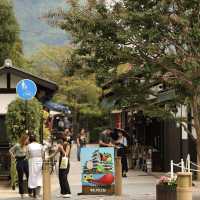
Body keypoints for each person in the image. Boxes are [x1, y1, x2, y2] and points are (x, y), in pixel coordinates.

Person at [47, 133, 71, 198]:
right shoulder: (61, 145)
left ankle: (68, 192)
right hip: (61, 161)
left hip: (65, 161)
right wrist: (47, 157)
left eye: (59, 140)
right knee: (60, 177)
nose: (58, 142)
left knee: (64, 177)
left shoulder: (67, 144)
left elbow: (66, 154)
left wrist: (61, 148)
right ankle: (62, 192)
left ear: (62, 139)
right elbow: (54, 154)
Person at [9, 134, 31, 199]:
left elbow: (28, 153)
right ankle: (22, 193)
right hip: (19, 161)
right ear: (24, 139)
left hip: (25, 161)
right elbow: (10, 150)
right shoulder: (17, 145)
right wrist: (13, 156)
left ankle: (30, 192)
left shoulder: (27, 146)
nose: (28, 140)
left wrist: (27, 157)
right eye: (27, 139)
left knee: (29, 176)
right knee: (20, 177)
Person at [27, 134, 44, 199]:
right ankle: (37, 193)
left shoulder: (29, 146)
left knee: (32, 176)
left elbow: (27, 155)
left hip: (32, 161)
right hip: (39, 161)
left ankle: (34, 194)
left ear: (30, 140)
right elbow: (43, 154)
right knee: (39, 176)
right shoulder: (40, 145)